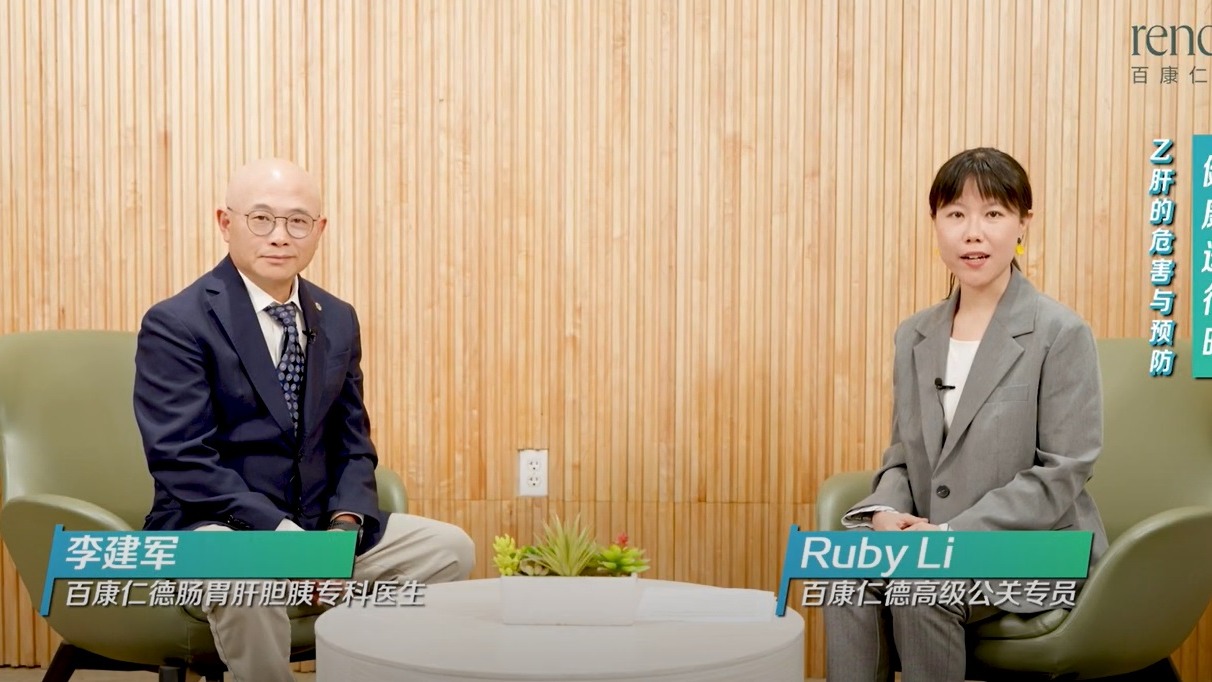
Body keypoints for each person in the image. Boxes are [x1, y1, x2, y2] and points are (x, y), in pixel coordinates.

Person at [133, 158, 476, 682]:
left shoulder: (337, 317)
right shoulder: (177, 322)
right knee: (244, 577)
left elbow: (352, 443)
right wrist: (282, 536)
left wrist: (342, 530)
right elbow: (181, 460)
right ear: (225, 223)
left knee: (449, 550)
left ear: (319, 230)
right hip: (216, 527)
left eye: (297, 221)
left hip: (316, 525)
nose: (280, 236)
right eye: (261, 219)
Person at [823, 147, 1108, 681]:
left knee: (920, 587)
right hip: (931, 544)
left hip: (1033, 549)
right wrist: (884, 513)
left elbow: (1062, 472)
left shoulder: (1060, 333)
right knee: (844, 581)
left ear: (1023, 223)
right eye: (956, 214)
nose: (973, 233)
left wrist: (950, 535)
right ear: (935, 223)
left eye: (993, 213)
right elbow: (904, 455)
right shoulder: (914, 335)